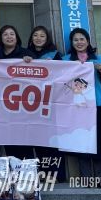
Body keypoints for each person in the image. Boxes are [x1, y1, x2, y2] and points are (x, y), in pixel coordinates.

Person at [62, 28, 101, 180]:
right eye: (75, 40)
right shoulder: (65, 60)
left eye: (82, 39)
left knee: (100, 141)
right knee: (81, 142)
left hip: (97, 104)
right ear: (71, 43)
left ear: (87, 41)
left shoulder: (99, 59)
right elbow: (60, 82)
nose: (79, 42)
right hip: (77, 106)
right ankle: (85, 178)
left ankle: (100, 177)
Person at [25, 26, 65, 179]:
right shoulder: (25, 54)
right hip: (31, 104)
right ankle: (40, 173)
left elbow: (64, 75)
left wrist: (53, 66)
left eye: (42, 36)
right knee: (35, 139)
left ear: (47, 38)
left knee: (51, 140)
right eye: (35, 35)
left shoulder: (55, 55)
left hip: (50, 102)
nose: (38, 38)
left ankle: (55, 174)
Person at [0, 25, 35, 159]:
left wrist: (31, 62)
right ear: (1, 38)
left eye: (12, 34)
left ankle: (28, 169)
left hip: (23, 107)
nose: (9, 37)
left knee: (24, 142)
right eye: (5, 34)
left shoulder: (26, 53)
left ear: (16, 37)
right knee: (9, 141)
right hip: (3, 107)